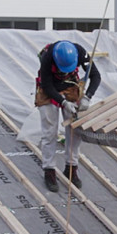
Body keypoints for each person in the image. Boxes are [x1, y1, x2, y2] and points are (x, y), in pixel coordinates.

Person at [34, 39, 100, 192]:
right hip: (48, 89)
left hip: (70, 86)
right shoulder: (47, 56)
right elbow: (47, 86)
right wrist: (63, 103)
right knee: (50, 131)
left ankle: (71, 167)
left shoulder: (80, 53)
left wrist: (87, 97)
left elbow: (96, 76)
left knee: (74, 128)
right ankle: (49, 170)